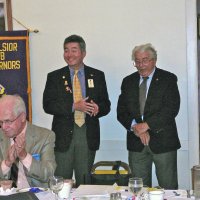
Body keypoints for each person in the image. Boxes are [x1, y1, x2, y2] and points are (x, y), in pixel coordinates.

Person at [43, 34, 111, 186]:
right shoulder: (54, 77)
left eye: (74, 50)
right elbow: (48, 105)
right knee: (61, 181)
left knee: (85, 181)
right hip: (63, 135)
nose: (69, 54)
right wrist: (74, 106)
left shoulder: (97, 75)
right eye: (66, 50)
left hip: (87, 133)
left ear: (83, 53)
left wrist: (98, 108)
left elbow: (106, 105)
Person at [117, 43, 181, 189]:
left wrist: (146, 126)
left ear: (154, 60)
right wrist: (135, 127)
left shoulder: (168, 79)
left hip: (164, 142)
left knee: (168, 188)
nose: (141, 65)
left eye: (145, 60)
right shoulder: (128, 81)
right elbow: (121, 111)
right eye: (137, 61)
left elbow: (171, 109)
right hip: (136, 142)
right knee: (138, 189)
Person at [0, 94, 56, 188]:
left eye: (8, 121)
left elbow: (49, 174)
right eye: (1, 122)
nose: (4, 127)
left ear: (22, 117)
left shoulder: (45, 136)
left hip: (34, 195)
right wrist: (7, 163)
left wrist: (24, 156)